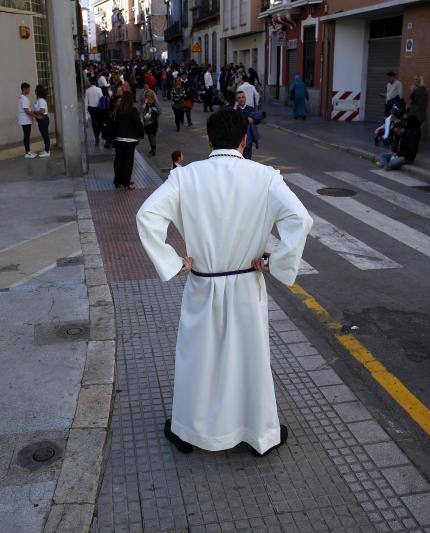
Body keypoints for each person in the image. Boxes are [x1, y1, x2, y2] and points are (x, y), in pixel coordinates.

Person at [135, 108, 313, 456]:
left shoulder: (185, 178)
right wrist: (274, 260)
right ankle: (259, 433)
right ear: (245, 141)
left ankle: (189, 432)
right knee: (249, 356)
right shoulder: (266, 177)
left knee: (198, 358)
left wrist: (174, 261)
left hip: (203, 282)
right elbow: (300, 219)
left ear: (210, 139)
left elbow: (147, 215)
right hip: (247, 282)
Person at [110, 92, 144, 190]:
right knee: (128, 162)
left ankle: (117, 181)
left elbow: (113, 124)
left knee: (118, 160)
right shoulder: (133, 111)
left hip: (119, 139)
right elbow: (138, 124)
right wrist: (141, 135)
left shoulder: (118, 110)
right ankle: (126, 182)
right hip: (130, 140)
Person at [233, 91, 262, 160]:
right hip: (237, 140)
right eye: (239, 98)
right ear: (236, 100)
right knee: (237, 160)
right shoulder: (234, 110)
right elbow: (230, 119)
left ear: (245, 98)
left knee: (247, 159)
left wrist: (253, 120)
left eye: (243, 97)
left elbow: (258, 120)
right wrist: (235, 107)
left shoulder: (250, 109)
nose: (241, 99)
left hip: (247, 139)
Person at [406, 75, 428, 149]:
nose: (415, 81)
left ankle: (412, 145)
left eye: (416, 79)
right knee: (417, 128)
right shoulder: (424, 89)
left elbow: (414, 99)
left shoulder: (419, 90)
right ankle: (415, 146)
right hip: (420, 113)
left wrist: (412, 91)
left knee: (410, 128)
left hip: (415, 113)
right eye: (414, 79)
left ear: (419, 80)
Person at [18, 82, 37, 158]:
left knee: (27, 135)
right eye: (28, 89)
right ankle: (27, 153)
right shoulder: (23, 98)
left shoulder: (23, 98)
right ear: (24, 89)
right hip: (25, 120)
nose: (29, 90)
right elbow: (26, 110)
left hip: (26, 120)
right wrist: (36, 116)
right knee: (26, 136)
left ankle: (28, 151)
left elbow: (28, 109)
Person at [86, 77, 104, 146]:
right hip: (98, 108)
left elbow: (86, 101)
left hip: (91, 108)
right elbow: (101, 98)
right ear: (95, 82)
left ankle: (96, 135)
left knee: (93, 122)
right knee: (99, 121)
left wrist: (86, 111)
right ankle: (98, 133)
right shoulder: (99, 89)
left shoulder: (87, 91)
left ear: (90, 82)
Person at [34, 85, 51, 158]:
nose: (35, 91)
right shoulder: (40, 100)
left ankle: (47, 151)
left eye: (36, 90)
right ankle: (46, 150)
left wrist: (34, 112)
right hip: (42, 119)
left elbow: (42, 111)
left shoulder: (41, 100)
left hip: (43, 119)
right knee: (44, 135)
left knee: (45, 135)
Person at [143, 92, 159, 156]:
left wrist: (150, 120)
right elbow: (142, 109)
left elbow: (155, 114)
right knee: (149, 136)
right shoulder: (146, 104)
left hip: (153, 122)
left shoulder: (154, 104)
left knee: (152, 136)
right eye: (146, 96)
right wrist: (145, 103)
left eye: (149, 97)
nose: (147, 98)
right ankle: (152, 148)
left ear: (152, 97)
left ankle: (154, 149)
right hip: (147, 121)